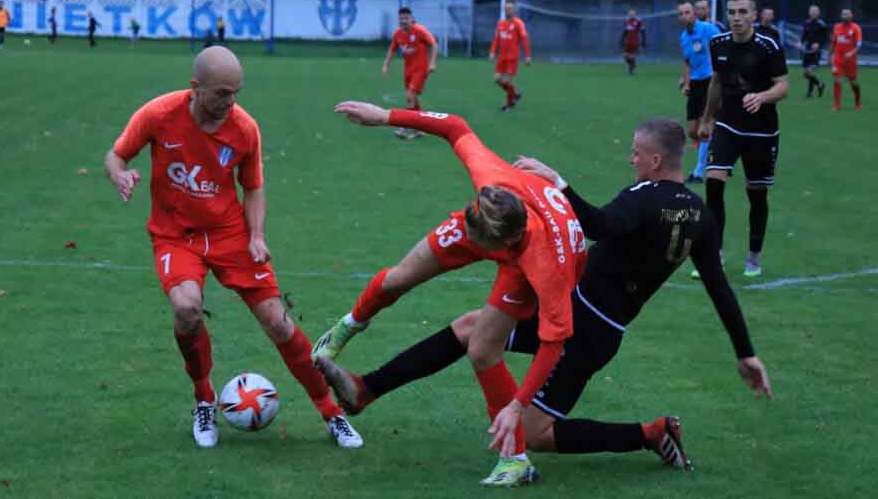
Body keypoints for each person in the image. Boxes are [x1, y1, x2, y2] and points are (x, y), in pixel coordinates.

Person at [317, 118, 772, 477]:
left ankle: (650, 434)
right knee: (473, 329)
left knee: (536, 432)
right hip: (592, 315)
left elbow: (600, 226)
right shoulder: (701, 215)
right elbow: (718, 286)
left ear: (654, 160)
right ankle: (364, 389)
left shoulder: (644, 196)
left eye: (635, 153)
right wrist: (745, 353)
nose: (630, 159)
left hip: (587, 328)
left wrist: (560, 183)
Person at [103, 46, 363, 450]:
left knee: (278, 322)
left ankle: (332, 413)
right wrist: (120, 175)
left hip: (230, 234)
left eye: (236, 92)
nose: (230, 102)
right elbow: (115, 155)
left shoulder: (244, 128)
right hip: (175, 235)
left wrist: (256, 235)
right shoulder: (157, 114)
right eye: (222, 93)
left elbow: (254, 186)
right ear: (196, 88)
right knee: (187, 309)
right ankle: (204, 400)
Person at [317, 101, 587, 487]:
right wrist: (385, 116)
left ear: (505, 242)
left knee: (481, 350)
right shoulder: (491, 186)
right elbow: (456, 126)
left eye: (480, 244)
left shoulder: (546, 267)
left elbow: (553, 342)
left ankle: (516, 461)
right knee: (398, 278)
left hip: (523, 263)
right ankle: (345, 329)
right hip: (501, 223)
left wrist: (516, 405)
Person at [698, 0, 788, 278]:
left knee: (756, 194)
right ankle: (715, 255)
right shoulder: (718, 44)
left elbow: (783, 86)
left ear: (754, 15)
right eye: (732, 12)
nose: (736, 18)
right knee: (713, 182)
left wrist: (762, 97)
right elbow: (716, 83)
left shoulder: (768, 46)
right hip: (727, 125)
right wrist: (707, 118)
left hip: (761, 133)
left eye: (742, 12)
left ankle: (754, 256)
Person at [678, 0, 720, 184]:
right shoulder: (683, 37)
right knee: (692, 131)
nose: (684, 15)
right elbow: (687, 62)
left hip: (711, 81)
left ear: (693, 13)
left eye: (687, 12)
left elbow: (723, 45)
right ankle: (718, 150)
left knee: (705, 128)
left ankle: (698, 171)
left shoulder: (708, 29)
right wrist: (686, 83)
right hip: (695, 84)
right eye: (681, 13)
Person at [381, 8, 437, 139]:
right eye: (401, 18)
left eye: (406, 18)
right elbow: (392, 50)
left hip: (421, 69)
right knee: (413, 99)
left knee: (410, 96)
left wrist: (432, 63)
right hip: (408, 70)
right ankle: (420, 129)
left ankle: (403, 127)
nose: (403, 21)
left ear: (412, 19)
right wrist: (385, 65)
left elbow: (433, 44)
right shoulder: (398, 34)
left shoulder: (419, 30)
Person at [489, 2, 531, 111]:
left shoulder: (518, 23)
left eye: (510, 8)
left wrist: (527, 56)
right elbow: (496, 40)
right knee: (497, 79)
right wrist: (492, 52)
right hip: (502, 58)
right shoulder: (501, 24)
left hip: (512, 58)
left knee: (506, 81)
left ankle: (509, 104)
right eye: (506, 8)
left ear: (514, 10)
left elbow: (524, 40)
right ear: (504, 10)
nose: (508, 10)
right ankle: (515, 93)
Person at [830, 9, 862, 111]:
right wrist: (829, 55)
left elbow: (859, 44)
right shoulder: (837, 27)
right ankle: (836, 105)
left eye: (847, 14)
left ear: (852, 16)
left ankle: (857, 101)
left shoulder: (856, 28)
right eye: (843, 14)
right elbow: (833, 43)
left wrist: (851, 53)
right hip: (838, 59)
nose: (845, 16)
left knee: (853, 82)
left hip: (850, 61)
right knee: (837, 80)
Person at [800, 5, 827, 98]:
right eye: (812, 11)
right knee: (805, 74)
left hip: (816, 51)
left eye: (815, 11)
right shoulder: (806, 23)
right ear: (809, 12)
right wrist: (800, 43)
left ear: (818, 13)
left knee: (809, 71)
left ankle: (810, 92)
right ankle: (820, 85)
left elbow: (826, 38)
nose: (813, 13)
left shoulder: (822, 24)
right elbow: (804, 36)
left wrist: (819, 44)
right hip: (807, 51)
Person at [620, 9, 646, 75]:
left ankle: (631, 71)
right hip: (627, 42)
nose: (631, 15)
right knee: (624, 55)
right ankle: (633, 64)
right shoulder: (627, 21)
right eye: (630, 14)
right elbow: (625, 32)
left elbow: (643, 31)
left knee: (632, 56)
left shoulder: (639, 21)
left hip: (635, 42)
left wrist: (643, 41)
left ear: (635, 14)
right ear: (628, 14)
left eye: (633, 14)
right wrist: (622, 40)